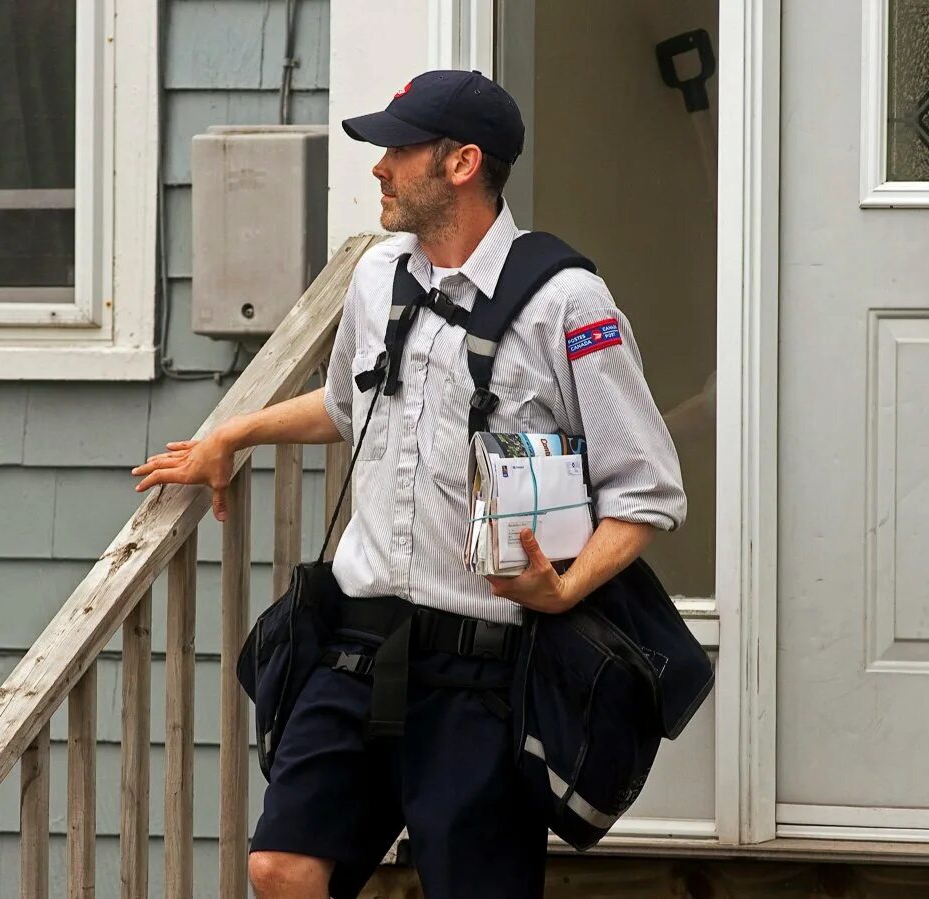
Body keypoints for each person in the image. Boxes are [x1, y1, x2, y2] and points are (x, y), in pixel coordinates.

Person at [132, 69, 686, 899]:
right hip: (355, 644)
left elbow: (646, 491)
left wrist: (564, 588)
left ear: (462, 163)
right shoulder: (378, 277)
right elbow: (351, 405)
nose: (379, 167)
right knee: (280, 868)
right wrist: (233, 434)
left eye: (399, 148)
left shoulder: (567, 302)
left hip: (484, 672)